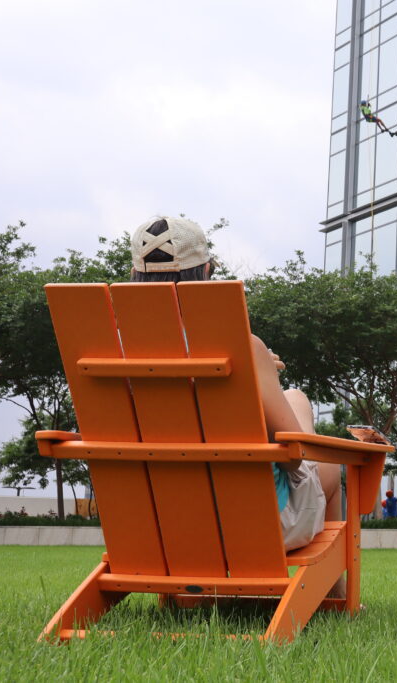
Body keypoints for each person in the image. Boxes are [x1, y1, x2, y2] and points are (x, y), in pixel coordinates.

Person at [129, 217, 343, 557]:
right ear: (207, 270)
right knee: (317, 442)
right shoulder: (244, 346)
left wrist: (255, 371)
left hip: (161, 525)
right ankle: (335, 595)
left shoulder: (118, 351)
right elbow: (294, 457)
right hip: (256, 524)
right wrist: (257, 372)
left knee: (294, 397)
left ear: (136, 276)